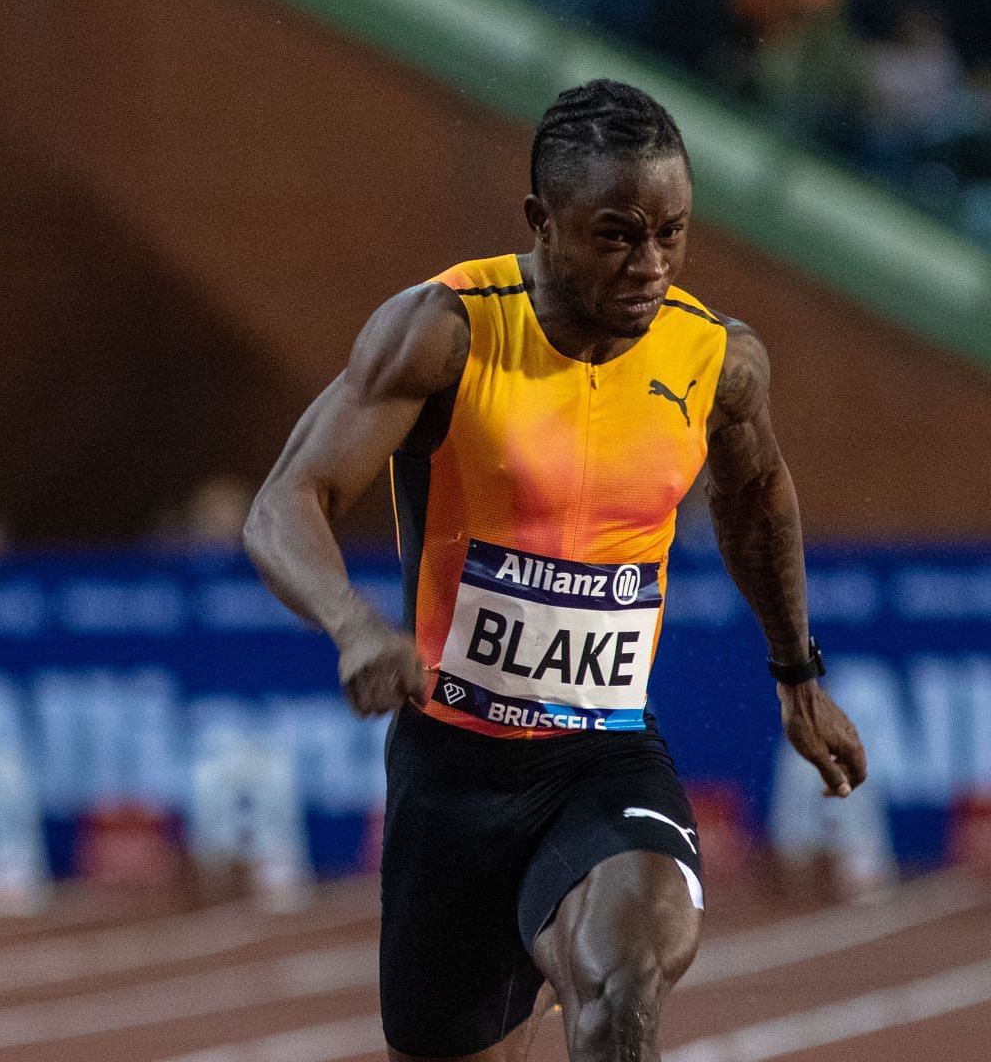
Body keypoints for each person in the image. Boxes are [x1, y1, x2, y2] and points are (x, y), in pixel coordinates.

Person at [243, 79, 866, 1062]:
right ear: (541, 220)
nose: (650, 264)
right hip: (450, 772)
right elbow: (284, 500)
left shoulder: (716, 359)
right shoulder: (447, 330)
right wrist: (354, 623)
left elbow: (755, 502)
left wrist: (798, 673)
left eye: (672, 232)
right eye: (618, 233)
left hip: (604, 753)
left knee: (622, 983)